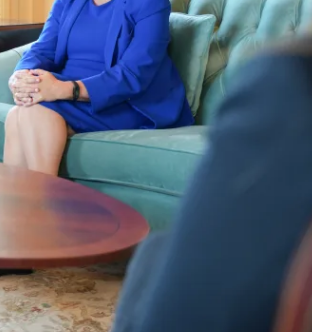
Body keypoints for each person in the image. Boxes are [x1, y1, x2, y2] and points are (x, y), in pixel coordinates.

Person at [0, 0, 193, 279]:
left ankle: (21, 241)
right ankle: (19, 239)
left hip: (127, 102)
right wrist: (25, 76)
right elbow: (44, 47)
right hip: (64, 91)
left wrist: (63, 89)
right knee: (23, 112)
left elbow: (134, 75)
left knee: (30, 114)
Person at [111, 38, 312, 331]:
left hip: (120, 103)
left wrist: (70, 89)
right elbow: (47, 46)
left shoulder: (293, 84)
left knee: (155, 255)